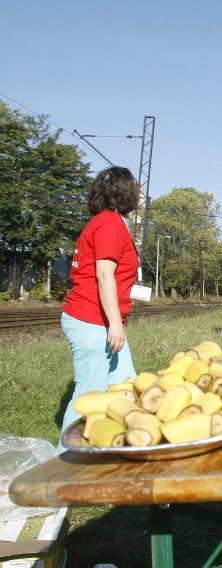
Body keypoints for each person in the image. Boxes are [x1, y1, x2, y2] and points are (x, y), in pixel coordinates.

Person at [59, 166, 141, 449]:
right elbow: (104, 275)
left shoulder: (108, 221)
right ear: (125, 192)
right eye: (135, 187)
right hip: (92, 321)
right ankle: (64, 464)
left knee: (127, 388)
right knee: (88, 395)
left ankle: (116, 450)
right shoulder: (108, 224)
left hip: (101, 322)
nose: (139, 192)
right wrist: (116, 324)